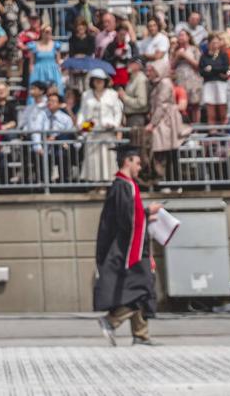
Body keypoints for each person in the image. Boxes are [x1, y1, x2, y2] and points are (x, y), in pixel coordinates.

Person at [94, 144, 162, 346]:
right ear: (128, 161)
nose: (140, 167)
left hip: (130, 245)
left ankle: (141, 335)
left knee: (141, 288)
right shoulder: (123, 186)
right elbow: (128, 218)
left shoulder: (124, 185)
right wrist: (148, 213)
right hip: (129, 248)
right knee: (141, 288)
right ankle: (111, 321)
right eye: (138, 162)